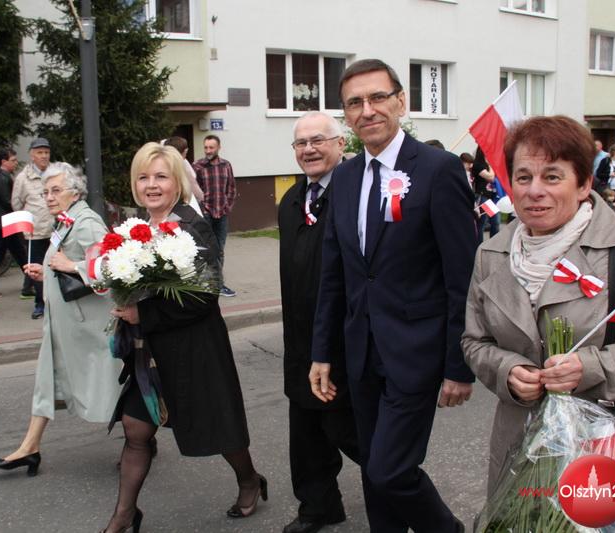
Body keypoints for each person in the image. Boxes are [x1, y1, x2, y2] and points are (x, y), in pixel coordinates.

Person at [461, 115, 615, 496]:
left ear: (584, 184)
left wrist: (590, 368)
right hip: (518, 445)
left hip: (605, 445)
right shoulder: (490, 254)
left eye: (552, 177)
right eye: (523, 177)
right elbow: (475, 342)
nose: (534, 190)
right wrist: (508, 371)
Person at [310, 59, 475, 533]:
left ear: (401, 101)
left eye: (378, 97)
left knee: (390, 470)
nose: (367, 110)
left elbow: (462, 277)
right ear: (346, 115)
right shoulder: (344, 177)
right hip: (360, 353)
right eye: (354, 103)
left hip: (416, 353)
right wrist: (322, 351)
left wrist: (458, 365)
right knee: (373, 470)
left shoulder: (438, 169)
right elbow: (335, 274)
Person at [102, 143, 265, 532]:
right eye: (144, 177)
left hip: (194, 348)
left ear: (177, 182)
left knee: (220, 429)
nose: (151, 185)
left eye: (161, 177)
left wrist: (144, 313)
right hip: (149, 351)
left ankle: (249, 480)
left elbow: (205, 297)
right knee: (135, 428)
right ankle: (124, 516)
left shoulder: (193, 226)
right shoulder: (135, 227)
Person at [0, 163, 122, 476]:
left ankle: (141, 438)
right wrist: (45, 272)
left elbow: (111, 267)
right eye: (46, 191)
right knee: (46, 380)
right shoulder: (67, 219)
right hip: (64, 324)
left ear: (75, 192)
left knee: (111, 382)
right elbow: (62, 265)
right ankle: (30, 447)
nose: (48, 197)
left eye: (56, 190)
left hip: (85, 327)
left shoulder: (86, 222)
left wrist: (72, 266)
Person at [279, 112, 360, 533]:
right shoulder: (291, 200)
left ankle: (406, 499)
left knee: (350, 430)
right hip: (299, 338)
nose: (309, 149)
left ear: (341, 143)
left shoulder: (356, 194)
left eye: (318, 140)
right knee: (306, 431)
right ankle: (319, 506)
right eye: (301, 143)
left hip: (344, 339)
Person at [12, 138, 55, 318]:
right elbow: (16, 203)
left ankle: (56, 303)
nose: (44, 156)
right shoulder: (23, 178)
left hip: (56, 231)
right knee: (37, 269)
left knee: (56, 267)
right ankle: (40, 303)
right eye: (40, 152)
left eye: (46, 152)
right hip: (35, 233)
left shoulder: (57, 173)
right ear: (32, 155)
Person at [193, 134, 237, 297]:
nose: (208, 150)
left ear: (218, 147)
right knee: (206, 249)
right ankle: (205, 284)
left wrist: (227, 207)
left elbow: (231, 188)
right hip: (206, 214)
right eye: (206, 147)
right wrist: (202, 210)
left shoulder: (226, 165)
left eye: (211, 147)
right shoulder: (197, 166)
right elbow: (193, 192)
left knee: (219, 250)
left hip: (222, 214)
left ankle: (219, 285)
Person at [0, 148, 27, 298]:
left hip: (5, 221)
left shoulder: (1, 177)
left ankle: (31, 282)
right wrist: (23, 206)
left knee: (18, 252)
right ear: (4, 162)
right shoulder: (2, 179)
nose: (15, 163)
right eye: (13, 160)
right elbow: (8, 201)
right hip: (5, 222)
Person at [161, 136, 204, 214]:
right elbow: (194, 187)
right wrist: (203, 198)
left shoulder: (161, 164)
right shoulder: (182, 166)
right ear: (185, 151)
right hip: (183, 204)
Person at [473, 147, 500, 241]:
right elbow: (490, 177)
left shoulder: (487, 165)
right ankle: (479, 244)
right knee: (482, 223)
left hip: (491, 197)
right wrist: (490, 165)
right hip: (482, 196)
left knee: (495, 222)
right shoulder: (478, 165)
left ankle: (493, 243)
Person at [596, 143, 615, 221]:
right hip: (608, 188)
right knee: (609, 207)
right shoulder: (605, 161)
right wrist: (609, 174)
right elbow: (598, 174)